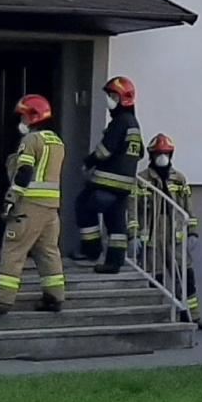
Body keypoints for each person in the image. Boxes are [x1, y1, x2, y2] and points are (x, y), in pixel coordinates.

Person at [0, 95, 66, 315]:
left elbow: (24, 172)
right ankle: (54, 298)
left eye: (23, 116)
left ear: (32, 116)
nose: (21, 121)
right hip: (51, 208)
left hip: (29, 206)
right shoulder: (57, 141)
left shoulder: (31, 140)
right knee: (48, 252)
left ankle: (2, 300)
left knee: (13, 250)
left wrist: (10, 200)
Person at [72, 76, 144, 273]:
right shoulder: (134, 124)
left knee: (83, 206)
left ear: (121, 99)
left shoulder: (120, 122)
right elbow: (140, 152)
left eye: (112, 96)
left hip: (106, 183)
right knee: (116, 224)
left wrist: (88, 161)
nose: (109, 100)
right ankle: (114, 262)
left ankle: (91, 250)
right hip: (125, 186)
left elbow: (105, 151)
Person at [135, 133, 199, 322]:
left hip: (175, 233)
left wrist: (193, 231)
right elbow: (132, 209)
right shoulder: (141, 179)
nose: (162, 157)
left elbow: (188, 206)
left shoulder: (179, 179)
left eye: (166, 153)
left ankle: (191, 316)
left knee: (184, 275)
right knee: (155, 276)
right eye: (158, 153)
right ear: (151, 155)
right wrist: (134, 235)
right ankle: (157, 316)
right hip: (152, 234)